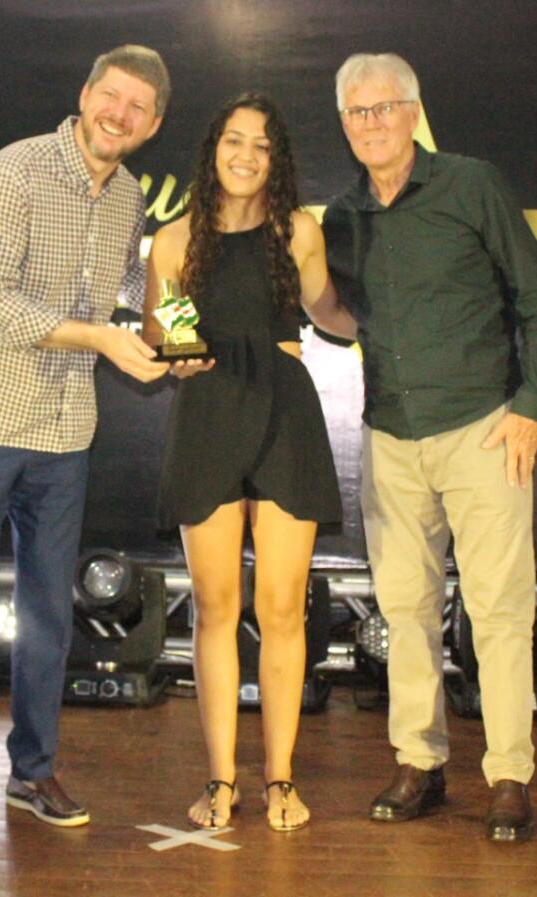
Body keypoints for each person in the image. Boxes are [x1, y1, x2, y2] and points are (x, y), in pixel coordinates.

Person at [0, 45, 173, 845]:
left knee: (49, 610)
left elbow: (134, 284)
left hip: (63, 429)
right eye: (111, 96)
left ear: (152, 125)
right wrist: (100, 336)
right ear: (86, 94)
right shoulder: (16, 171)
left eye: (137, 108)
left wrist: (181, 317)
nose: (119, 115)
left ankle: (33, 769)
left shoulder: (128, 196)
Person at [314, 53, 537, 842]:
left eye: (384, 108)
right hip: (390, 434)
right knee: (405, 611)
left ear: (413, 111)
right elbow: (344, 321)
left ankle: (509, 774)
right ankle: (418, 762)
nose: (371, 124)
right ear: (344, 124)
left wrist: (531, 409)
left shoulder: (470, 184)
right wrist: (305, 293)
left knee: (499, 610)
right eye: (357, 112)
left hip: (483, 428)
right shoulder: (342, 217)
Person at [142, 93, 354, 833]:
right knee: (215, 607)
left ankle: (281, 779)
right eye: (234, 140)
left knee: (284, 608)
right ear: (213, 150)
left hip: (284, 412)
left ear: (277, 160)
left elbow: (330, 312)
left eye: (262, 146)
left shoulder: (299, 231)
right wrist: (178, 350)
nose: (246, 155)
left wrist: (398, 323)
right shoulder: (173, 241)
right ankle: (221, 780)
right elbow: (167, 337)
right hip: (207, 414)